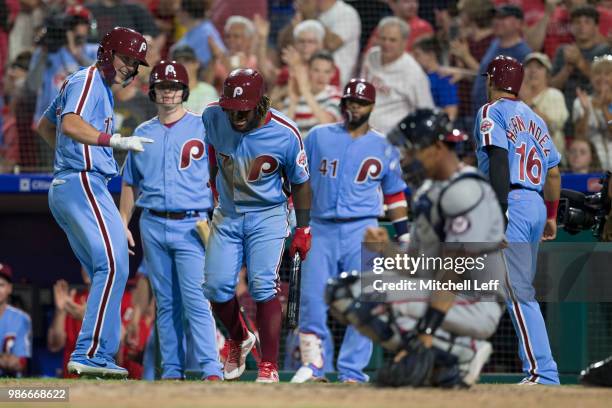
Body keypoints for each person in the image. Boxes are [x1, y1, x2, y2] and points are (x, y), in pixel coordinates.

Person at [326, 109, 506, 388]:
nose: (405, 160)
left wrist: (425, 333)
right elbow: (418, 269)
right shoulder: (430, 192)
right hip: (439, 294)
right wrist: (385, 249)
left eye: (411, 151)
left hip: (474, 302)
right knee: (341, 292)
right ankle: (443, 362)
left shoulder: (467, 190)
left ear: (436, 147)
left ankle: (462, 353)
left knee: (358, 297)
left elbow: (454, 269)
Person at [36, 27, 153, 378]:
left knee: (112, 270)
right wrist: (110, 140)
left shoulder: (96, 86)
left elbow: (46, 125)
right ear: (108, 52)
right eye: (126, 59)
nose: (130, 68)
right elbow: (68, 124)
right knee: (113, 267)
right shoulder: (88, 80)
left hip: (82, 184)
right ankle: (90, 352)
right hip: (83, 181)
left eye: (135, 64)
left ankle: (99, 356)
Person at [290, 79, 409, 384]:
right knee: (313, 301)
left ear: (372, 106)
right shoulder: (318, 136)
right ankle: (314, 366)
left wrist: (404, 235)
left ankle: (352, 372)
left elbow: (395, 194)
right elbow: (298, 179)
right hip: (321, 227)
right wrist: (295, 221)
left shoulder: (385, 146)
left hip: (363, 230)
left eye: (360, 102)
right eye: (350, 101)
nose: (354, 107)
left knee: (365, 302)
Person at [202, 68, 311, 383]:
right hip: (228, 212)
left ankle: (269, 365)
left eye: (243, 108)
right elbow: (212, 151)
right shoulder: (212, 117)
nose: (236, 114)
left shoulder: (285, 132)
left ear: (261, 103)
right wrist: (213, 187)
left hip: (269, 213)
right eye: (231, 108)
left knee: (263, 285)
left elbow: (301, 183)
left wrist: (303, 228)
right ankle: (239, 337)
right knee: (216, 286)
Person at [120, 60, 222, 381]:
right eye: (163, 87)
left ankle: (210, 369)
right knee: (165, 303)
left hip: (193, 222)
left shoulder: (204, 126)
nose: (168, 93)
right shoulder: (142, 132)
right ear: (153, 91)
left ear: (184, 91)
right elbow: (129, 182)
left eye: (174, 87)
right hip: (151, 222)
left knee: (196, 299)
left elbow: (224, 170)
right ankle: (172, 372)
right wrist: (124, 221)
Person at [474, 55, 562, 385]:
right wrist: (550, 216)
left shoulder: (491, 111)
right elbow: (553, 174)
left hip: (508, 201)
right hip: (535, 203)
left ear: (492, 80)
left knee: (518, 293)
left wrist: (497, 211)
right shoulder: (535, 119)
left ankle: (543, 372)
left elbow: (498, 159)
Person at [361, 16, 434, 134]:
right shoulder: (371, 56)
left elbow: (426, 112)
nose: (386, 44)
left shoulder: (413, 72)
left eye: (392, 40)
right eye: (383, 38)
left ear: (404, 42)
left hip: (392, 139)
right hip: (363, 131)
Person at [471, 5, 532, 113]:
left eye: (503, 18)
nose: (496, 21)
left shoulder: (523, 53)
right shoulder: (494, 44)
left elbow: (525, 92)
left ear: (518, 23)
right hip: (481, 113)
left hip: (502, 117)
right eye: (496, 18)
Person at [519, 52, 569, 159]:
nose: (533, 71)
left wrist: (529, 102)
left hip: (551, 161)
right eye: (529, 67)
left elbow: (553, 127)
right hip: (523, 160)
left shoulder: (554, 95)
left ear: (548, 74)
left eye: (539, 67)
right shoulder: (516, 100)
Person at [282, 51, 341, 136]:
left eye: (326, 72)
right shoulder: (294, 96)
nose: (321, 76)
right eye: (316, 70)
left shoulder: (335, 94)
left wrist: (305, 91)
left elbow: (328, 124)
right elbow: (284, 133)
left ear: (332, 73)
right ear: (308, 70)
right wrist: (293, 103)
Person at [572, 54, 612, 170]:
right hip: (590, 164)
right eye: (597, 74)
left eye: (607, 74)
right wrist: (586, 111)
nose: (602, 78)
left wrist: (604, 107)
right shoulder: (581, 102)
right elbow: (579, 136)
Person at [47, 268, 89, 378]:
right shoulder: (72, 300)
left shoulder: (119, 299)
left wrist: (89, 319)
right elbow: (55, 345)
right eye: (85, 261)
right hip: (72, 378)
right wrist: (60, 311)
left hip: (104, 381)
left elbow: (120, 355)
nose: (88, 266)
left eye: (95, 259)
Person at [412, 37, 459, 122]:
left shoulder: (442, 78)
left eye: (417, 55)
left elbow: (450, 113)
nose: (414, 60)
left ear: (431, 55)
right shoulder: (418, 76)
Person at [317, 0, 361, 85]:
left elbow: (332, 44)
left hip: (340, 81)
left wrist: (312, 17)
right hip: (315, 76)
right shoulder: (314, 11)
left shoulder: (346, 13)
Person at [0, 263, 32, 377]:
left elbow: (21, 362)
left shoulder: (21, 318)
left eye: (1, 285)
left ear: (9, 288)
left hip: (10, 384)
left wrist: (13, 361)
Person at [171, 46, 218, 115]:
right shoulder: (168, 93)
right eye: (178, 62)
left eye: (187, 61)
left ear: (196, 63)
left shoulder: (208, 91)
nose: (183, 65)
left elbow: (208, 120)